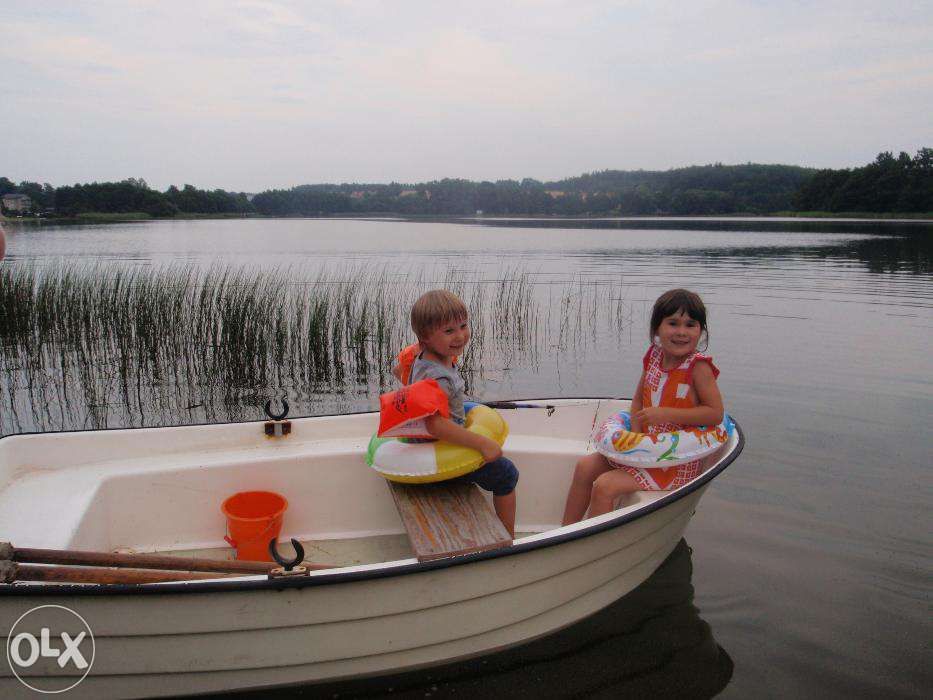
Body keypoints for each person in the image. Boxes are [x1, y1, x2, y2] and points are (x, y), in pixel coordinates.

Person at [562, 288, 723, 525]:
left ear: (701, 331)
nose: (681, 332)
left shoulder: (698, 368)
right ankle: (566, 532)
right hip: (645, 448)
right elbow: (638, 400)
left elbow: (715, 414)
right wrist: (636, 439)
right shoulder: (654, 357)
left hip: (674, 460)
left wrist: (666, 413)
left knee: (605, 486)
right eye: (673, 323)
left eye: (690, 325)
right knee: (585, 467)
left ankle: (592, 548)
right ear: (657, 328)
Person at [401, 289, 519, 536]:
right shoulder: (438, 378)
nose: (460, 336)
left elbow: (398, 371)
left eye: (463, 326)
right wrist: (484, 444)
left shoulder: (420, 355)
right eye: (449, 331)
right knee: (507, 473)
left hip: (425, 438)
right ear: (425, 338)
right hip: (440, 444)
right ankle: (508, 538)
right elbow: (436, 425)